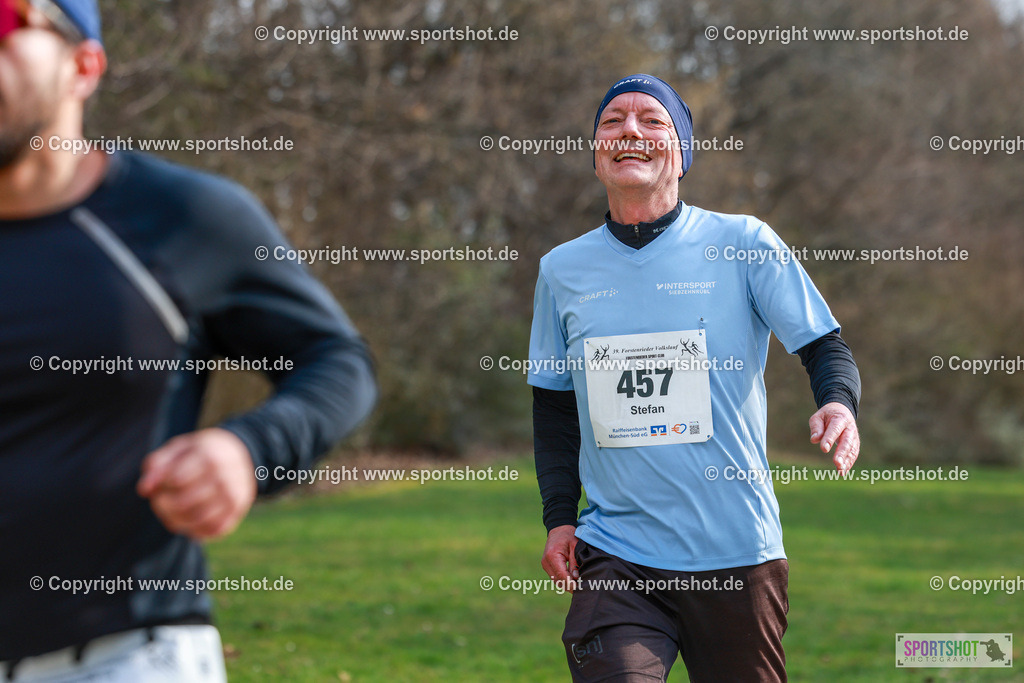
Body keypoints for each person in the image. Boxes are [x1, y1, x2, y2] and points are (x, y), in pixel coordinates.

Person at [0, 1, 377, 679]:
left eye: (3, 22)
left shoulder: (179, 217)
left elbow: (338, 361)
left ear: (83, 66)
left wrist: (248, 449)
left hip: (120, 655)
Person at [528, 74, 861, 682]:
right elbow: (553, 408)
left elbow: (824, 346)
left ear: (681, 153)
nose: (629, 130)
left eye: (651, 121)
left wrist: (837, 404)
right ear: (596, 152)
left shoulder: (744, 243)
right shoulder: (562, 270)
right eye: (612, 121)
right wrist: (559, 517)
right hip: (617, 554)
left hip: (736, 551)